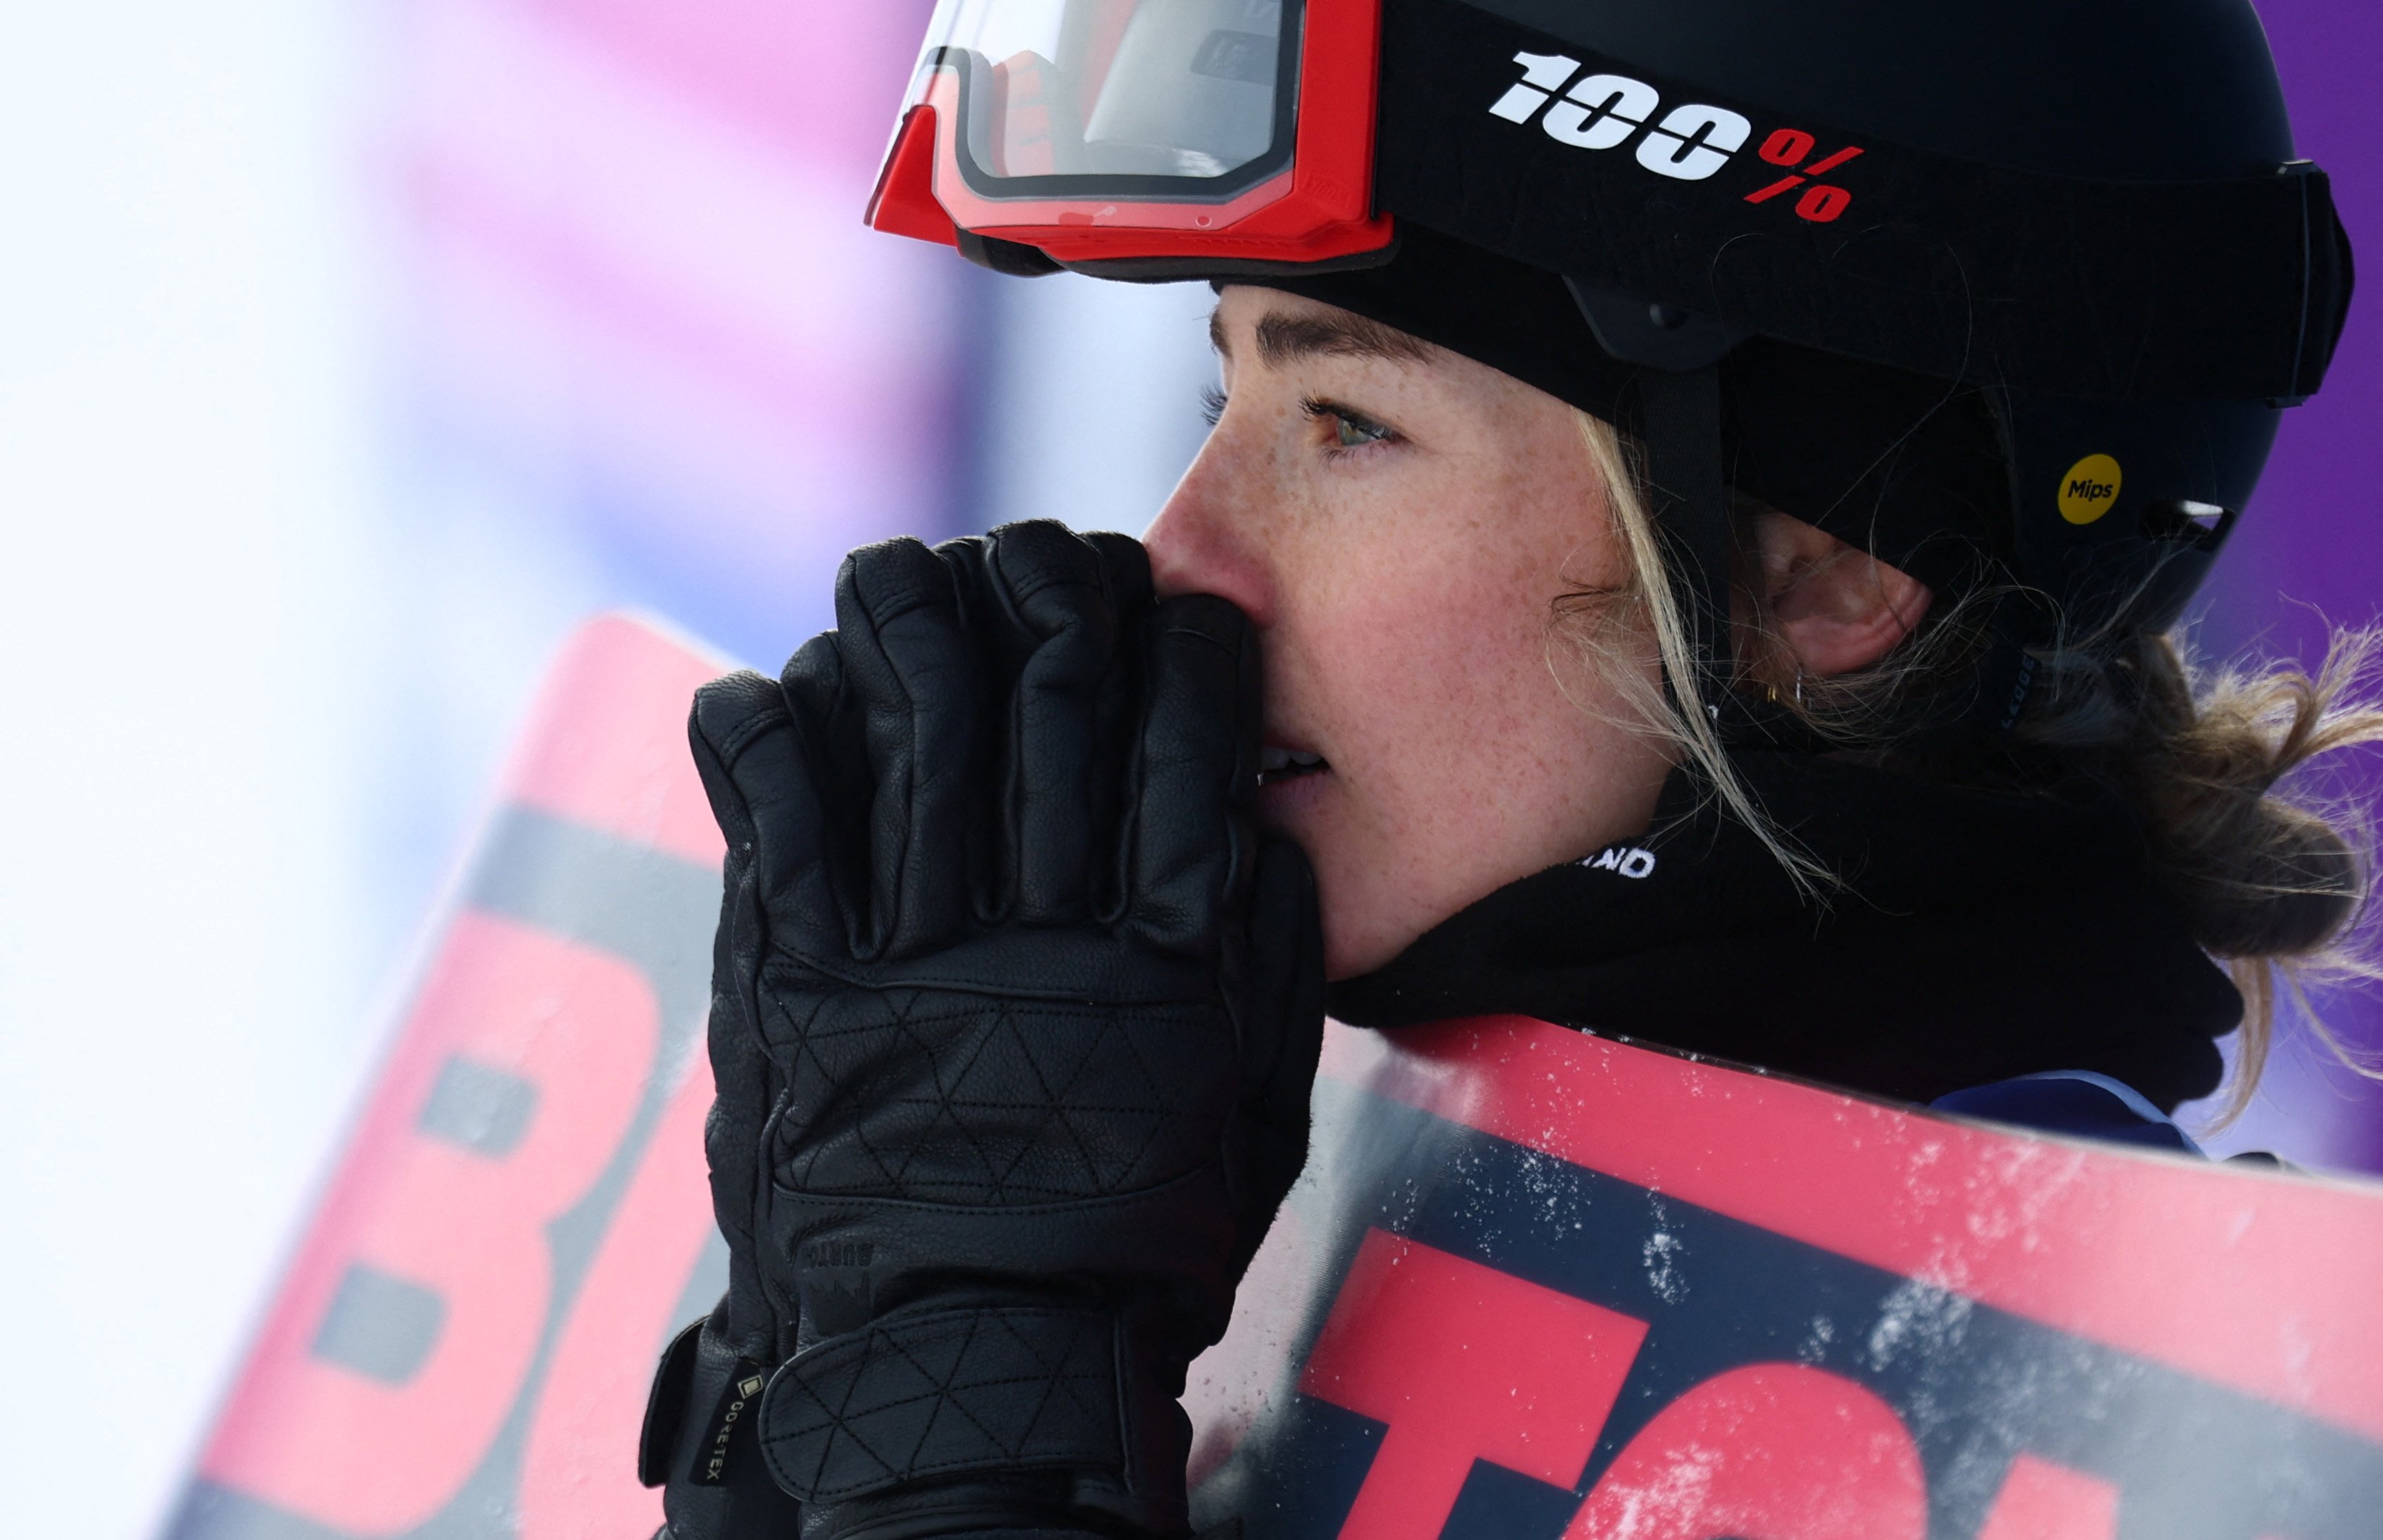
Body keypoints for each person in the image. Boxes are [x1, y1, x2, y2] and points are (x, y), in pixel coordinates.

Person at [638, 1, 2373, 1536]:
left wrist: (972, 1434)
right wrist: (821, 1361)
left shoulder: (2138, 1434)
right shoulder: (1243, 1149)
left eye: (1349, 426)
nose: (1177, 562)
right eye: (1217, 402)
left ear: (1823, 573)